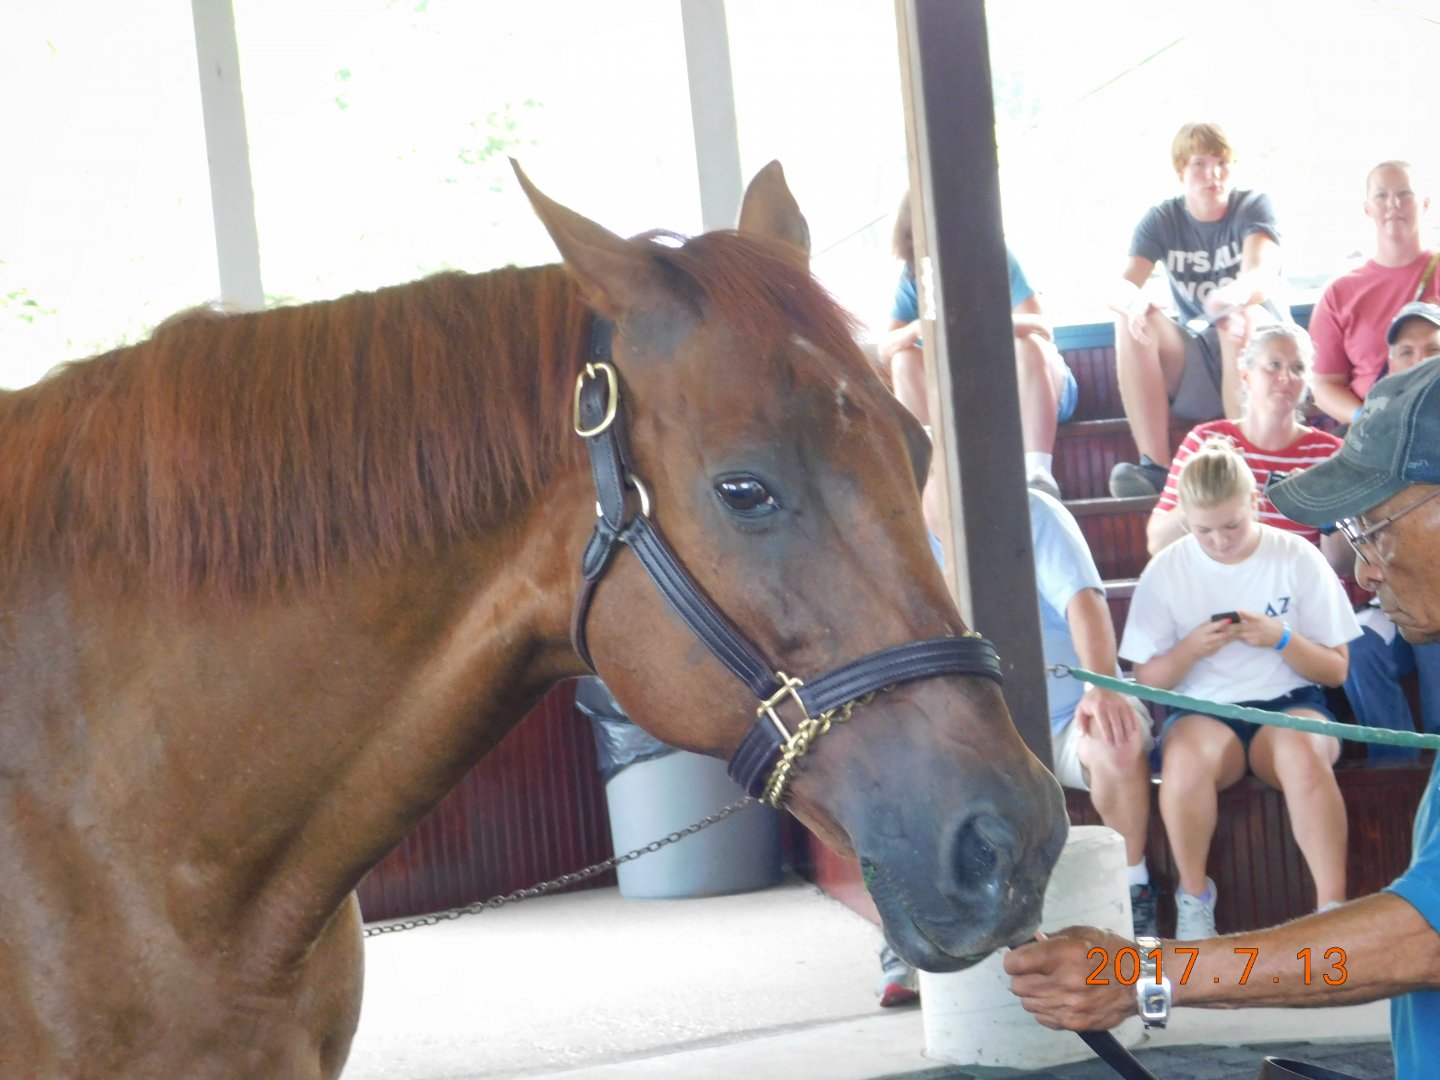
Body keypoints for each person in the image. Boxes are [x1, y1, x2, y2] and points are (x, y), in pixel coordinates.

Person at [1004, 359, 1440, 1080]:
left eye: (1376, 527)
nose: (1364, 571)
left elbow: (1421, 941)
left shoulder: (1292, 563)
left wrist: (1143, 972)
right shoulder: (1173, 574)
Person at [874, 488, 1156, 1007]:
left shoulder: (1034, 513)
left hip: (1069, 714)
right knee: (889, 778)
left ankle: (1134, 891)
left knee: (1118, 743)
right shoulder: (896, 527)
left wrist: (1102, 687)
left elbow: (1084, 601)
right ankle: (907, 935)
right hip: (966, 734)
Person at [1119, 439, 1360, 938]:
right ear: (1184, 518)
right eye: (1203, 530)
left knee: (1303, 755)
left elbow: (1335, 671)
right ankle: (1194, 898)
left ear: (1253, 502)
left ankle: (1332, 910)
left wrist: (1282, 639)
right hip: (1204, 711)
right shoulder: (1167, 569)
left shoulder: (1295, 555)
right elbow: (1148, 678)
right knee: (1183, 766)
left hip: (1292, 703)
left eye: (1231, 525)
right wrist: (1190, 650)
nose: (1220, 541)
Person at [1107, 122, 1286, 497]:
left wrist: (1230, 298)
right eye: (1200, 164)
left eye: (1221, 163)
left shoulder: (1252, 206)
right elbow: (1118, 286)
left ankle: (1247, 462)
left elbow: (1261, 273)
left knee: (1237, 316)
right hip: (1201, 360)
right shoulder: (1162, 219)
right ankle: (1155, 468)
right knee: (1129, 317)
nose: (1213, 175)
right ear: (1180, 171)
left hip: (1261, 349)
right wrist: (1135, 300)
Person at [879, 190, 1079, 498]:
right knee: (903, 359)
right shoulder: (914, 277)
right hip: (969, 398)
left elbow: (1041, 328)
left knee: (1028, 345)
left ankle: (1038, 474)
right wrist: (921, 328)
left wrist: (980, 327)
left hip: (1034, 390)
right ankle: (935, 472)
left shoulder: (996, 259)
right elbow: (886, 347)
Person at [1310, 161, 1439, 425]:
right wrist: (1365, 420)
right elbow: (1324, 386)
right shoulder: (1339, 293)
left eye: (1405, 193)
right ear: (1367, 209)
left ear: (1425, 203)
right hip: (1373, 437)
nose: (1393, 203)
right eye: (1382, 195)